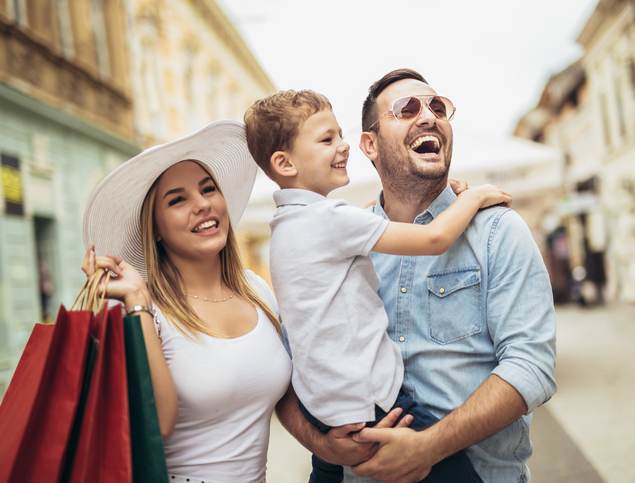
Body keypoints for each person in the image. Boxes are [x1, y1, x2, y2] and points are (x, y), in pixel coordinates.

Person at [276, 69, 557, 483]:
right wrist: (320, 445)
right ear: (369, 144)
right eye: (407, 109)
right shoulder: (335, 240)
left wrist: (430, 446)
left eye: (438, 107)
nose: (428, 116)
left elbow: (531, 366)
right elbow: (284, 367)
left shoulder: (498, 230)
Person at [80, 120, 292, 483]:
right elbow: (157, 424)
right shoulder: (143, 310)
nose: (202, 205)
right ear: (156, 228)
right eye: (177, 200)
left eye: (208, 190)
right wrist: (136, 301)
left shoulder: (257, 289)